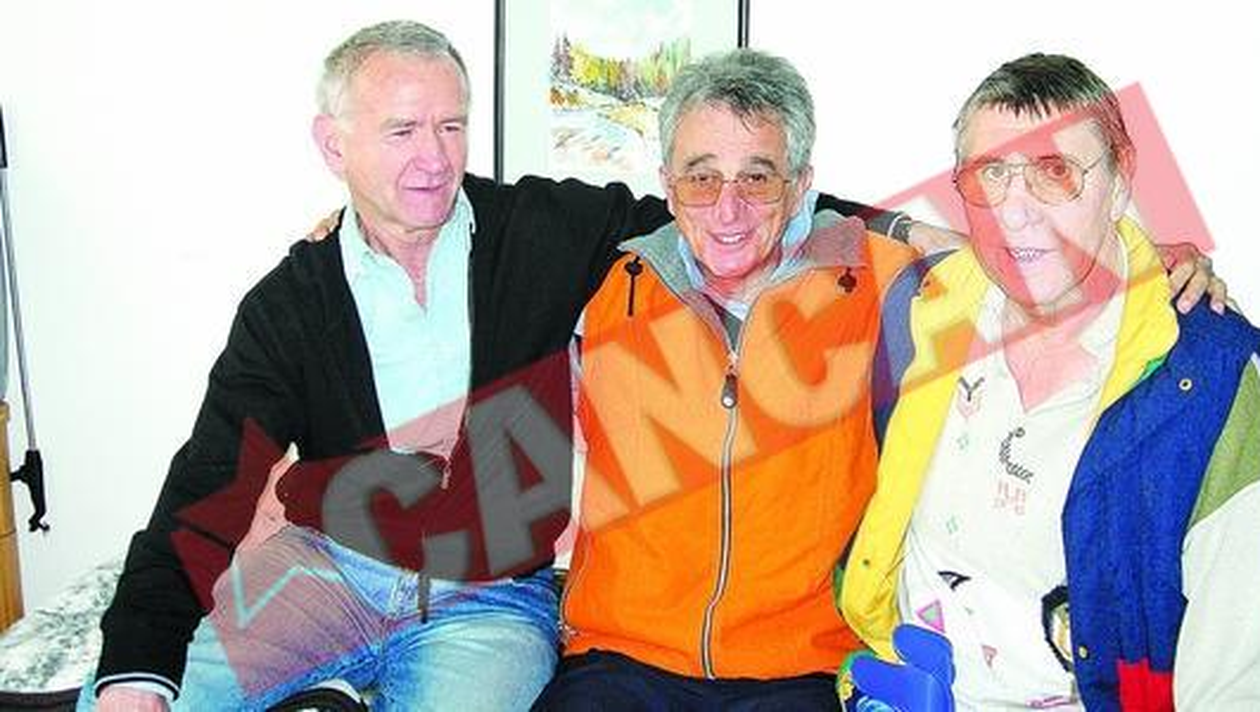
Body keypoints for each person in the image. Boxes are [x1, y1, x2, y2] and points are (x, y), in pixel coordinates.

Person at [83, 20, 909, 712]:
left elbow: (734, 206)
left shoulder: (542, 231)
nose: (434, 159)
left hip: (491, 600)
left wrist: (919, 234)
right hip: (324, 572)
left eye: (451, 126)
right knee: (133, 698)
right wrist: (135, 666)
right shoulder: (292, 301)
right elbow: (208, 483)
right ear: (333, 145)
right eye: (402, 131)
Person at [840, 53, 1260, 710]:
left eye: (1055, 172)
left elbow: (1235, 680)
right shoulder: (924, 309)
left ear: (1119, 182)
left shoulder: (1208, 379)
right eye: (991, 174)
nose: (1015, 213)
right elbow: (785, 213)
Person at [531, 48, 918, 711]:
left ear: (801, 183)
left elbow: (1023, 286)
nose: (727, 210)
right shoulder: (609, 285)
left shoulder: (883, 285)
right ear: (667, 183)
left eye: (757, 179)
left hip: (802, 669)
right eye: (701, 178)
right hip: (620, 659)